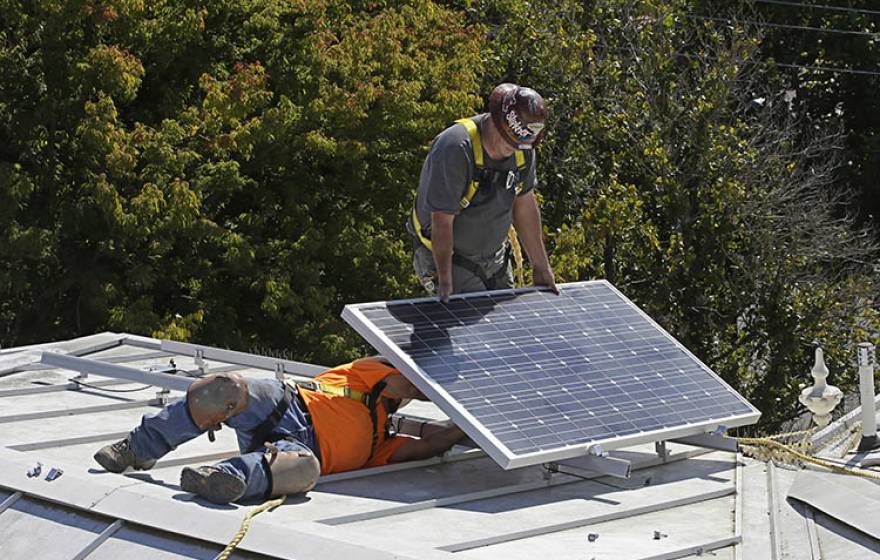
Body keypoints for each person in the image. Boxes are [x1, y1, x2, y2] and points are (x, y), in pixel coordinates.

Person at [93, 358, 466, 504]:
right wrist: (444, 381)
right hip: (286, 403)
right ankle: (136, 448)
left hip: (297, 449)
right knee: (224, 390)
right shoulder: (371, 375)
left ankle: (219, 477)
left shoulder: (381, 444)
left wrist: (465, 424)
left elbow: (429, 445)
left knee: (305, 473)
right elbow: (409, 379)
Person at [408, 83, 558, 301]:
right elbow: (442, 220)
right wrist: (445, 280)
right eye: (509, 143)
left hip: (495, 258)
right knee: (470, 326)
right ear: (496, 124)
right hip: (451, 257)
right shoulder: (455, 148)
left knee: (505, 328)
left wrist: (540, 266)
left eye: (520, 145)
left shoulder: (523, 148)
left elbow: (524, 204)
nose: (513, 150)